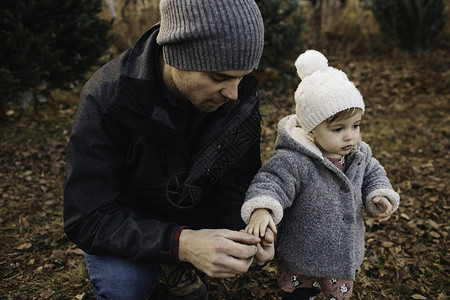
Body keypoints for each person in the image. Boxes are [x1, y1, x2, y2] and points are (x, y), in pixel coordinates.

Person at [63, 0, 275, 299]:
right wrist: (182, 244)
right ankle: (168, 261)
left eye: (242, 76)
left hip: (194, 204)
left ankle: (174, 262)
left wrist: (250, 230)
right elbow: (87, 217)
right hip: (127, 219)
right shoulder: (108, 98)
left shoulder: (237, 93)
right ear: (177, 55)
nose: (233, 93)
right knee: (123, 289)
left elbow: (238, 180)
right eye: (220, 78)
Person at [241, 50, 400, 300]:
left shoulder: (358, 154)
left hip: (342, 256)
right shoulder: (294, 160)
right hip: (301, 256)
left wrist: (379, 194)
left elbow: (373, 173)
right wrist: (263, 209)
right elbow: (271, 182)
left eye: (356, 125)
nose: (350, 136)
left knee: (337, 294)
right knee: (300, 295)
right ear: (311, 129)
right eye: (338, 129)